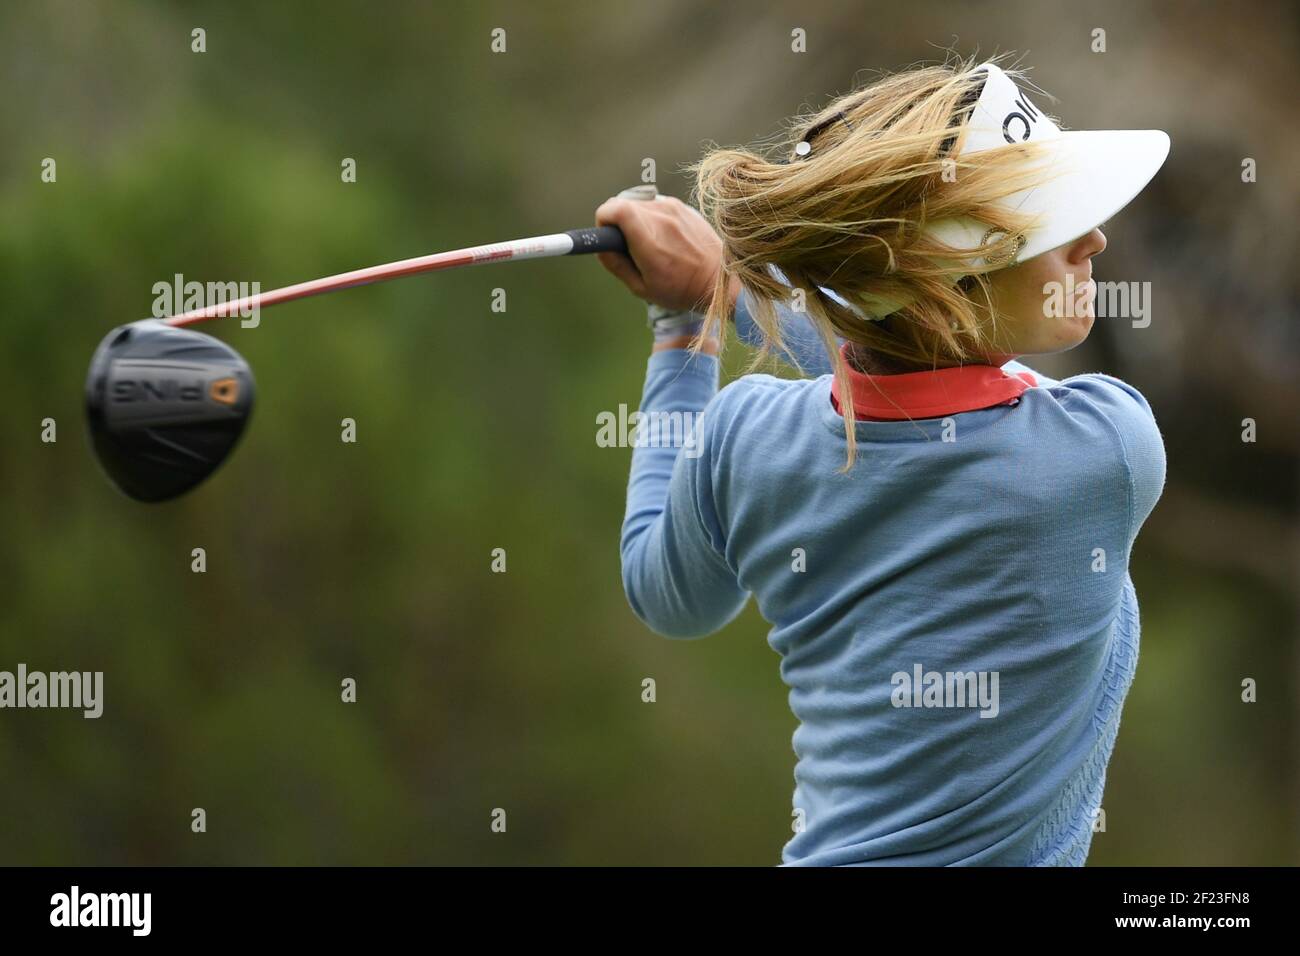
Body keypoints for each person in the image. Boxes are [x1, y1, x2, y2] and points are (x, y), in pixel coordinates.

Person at [595, 55, 1169, 866]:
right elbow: (960, 375)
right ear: (942, 285)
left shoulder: (740, 435)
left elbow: (669, 599)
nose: (1095, 239)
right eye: (1048, 223)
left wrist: (690, 323)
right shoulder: (1108, 446)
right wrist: (725, 290)